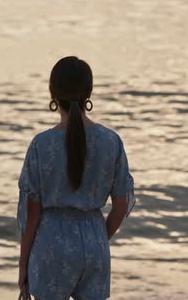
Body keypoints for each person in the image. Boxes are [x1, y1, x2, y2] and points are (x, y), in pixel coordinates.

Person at [16, 56, 136, 300]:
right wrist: (98, 238)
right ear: (89, 92)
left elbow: (32, 215)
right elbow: (121, 206)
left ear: (52, 93)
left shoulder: (42, 144)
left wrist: (23, 267)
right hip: (95, 244)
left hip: (51, 244)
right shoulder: (111, 141)